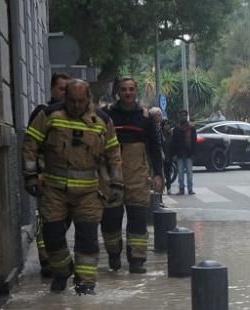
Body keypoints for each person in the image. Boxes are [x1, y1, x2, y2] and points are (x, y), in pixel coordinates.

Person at [22, 79, 123, 294]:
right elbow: (30, 145)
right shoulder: (49, 116)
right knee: (52, 236)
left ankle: (85, 285)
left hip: (88, 192)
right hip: (54, 190)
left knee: (87, 239)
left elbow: (114, 155)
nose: (76, 106)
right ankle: (62, 270)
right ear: (65, 97)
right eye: (72, 101)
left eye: (81, 101)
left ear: (89, 98)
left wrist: (116, 184)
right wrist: (31, 176)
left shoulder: (102, 121)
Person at [101, 77, 164, 274]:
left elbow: (155, 148)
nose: (128, 93)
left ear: (136, 92)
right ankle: (113, 254)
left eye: (131, 89)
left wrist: (158, 174)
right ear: (117, 92)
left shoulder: (145, 118)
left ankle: (137, 260)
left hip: (137, 174)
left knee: (137, 219)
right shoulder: (107, 115)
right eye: (123, 89)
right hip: (111, 175)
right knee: (111, 220)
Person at [27, 72, 70, 278]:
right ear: (52, 89)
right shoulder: (43, 113)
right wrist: (32, 175)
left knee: (63, 221)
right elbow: (30, 146)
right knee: (48, 220)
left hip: (70, 181)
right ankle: (46, 259)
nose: (65, 93)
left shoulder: (75, 115)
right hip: (47, 177)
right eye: (62, 88)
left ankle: (58, 258)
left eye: (68, 89)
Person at [169, 110, 196, 195]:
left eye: (184, 115)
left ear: (186, 116)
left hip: (189, 153)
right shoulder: (176, 128)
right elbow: (174, 142)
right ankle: (181, 189)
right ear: (179, 117)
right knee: (180, 173)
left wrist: (193, 153)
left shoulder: (191, 128)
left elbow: (194, 141)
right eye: (181, 116)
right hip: (180, 154)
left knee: (189, 172)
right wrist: (174, 154)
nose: (183, 117)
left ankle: (190, 189)